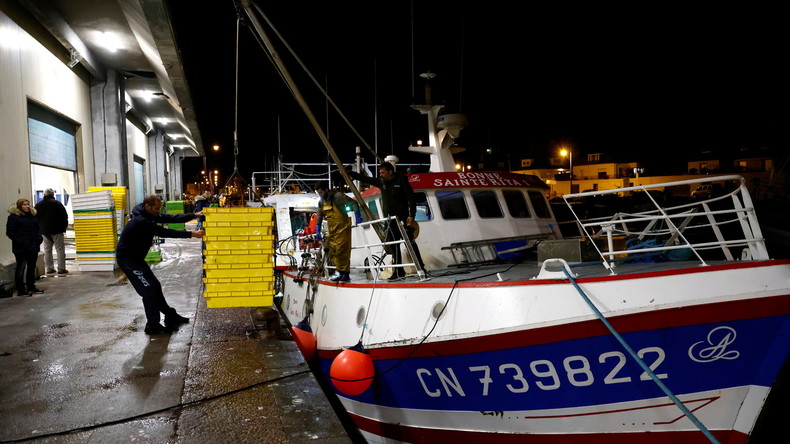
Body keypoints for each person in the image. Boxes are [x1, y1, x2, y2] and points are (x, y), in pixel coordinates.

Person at [116, 195, 205, 334]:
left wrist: (194, 214)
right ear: (147, 206)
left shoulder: (148, 214)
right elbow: (165, 232)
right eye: (156, 208)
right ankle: (152, 325)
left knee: (155, 286)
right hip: (128, 260)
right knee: (149, 290)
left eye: (159, 208)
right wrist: (192, 234)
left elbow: (170, 218)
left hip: (137, 259)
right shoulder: (141, 221)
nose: (159, 211)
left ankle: (170, 315)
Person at [346, 162, 424, 279]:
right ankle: (398, 271)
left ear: (390, 171)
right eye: (380, 173)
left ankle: (421, 268)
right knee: (394, 246)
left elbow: (411, 198)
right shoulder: (382, 182)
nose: (380, 175)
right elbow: (366, 178)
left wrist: (411, 215)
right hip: (390, 219)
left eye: (383, 172)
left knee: (410, 243)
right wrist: (350, 173)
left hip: (402, 218)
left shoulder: (401, 181)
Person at [314, 182, 361, 282]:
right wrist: (317, 226)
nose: (320, 194)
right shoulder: (322, 201)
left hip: (342, 226)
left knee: (342, 250)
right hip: (332, 227)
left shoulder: (338, 196)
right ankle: (340, 271)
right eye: (318, 193)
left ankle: (345, 273)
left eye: (321, 192)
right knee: (334, 251)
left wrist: (358, 217)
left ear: (326, 189)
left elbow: (354, 203)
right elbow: (319, 214)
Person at [6, 199, 44, 296]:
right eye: (24, 205)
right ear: (19, 206)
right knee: (21, 267)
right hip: (21, 248)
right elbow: (10, 232)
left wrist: (39, 239)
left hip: (33, 246)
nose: (27, 206)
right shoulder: (14, 217)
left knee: (31, 267)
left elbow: (37, 229)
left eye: (28, 204)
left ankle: (31, 286)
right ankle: (21, 289)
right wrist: (21, 241)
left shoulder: (32, 216)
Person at [34, 189, 69, 275]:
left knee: (47, 250)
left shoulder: (38, 205)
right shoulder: (57, 204)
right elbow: (64, 217)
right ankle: (61, 268)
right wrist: (63, 228)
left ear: (44, 195)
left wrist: (40, 228)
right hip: (57, 230)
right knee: (60, 249)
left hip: (44, 231)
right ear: (53, 194)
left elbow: (35, 218)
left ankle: (49, 268)